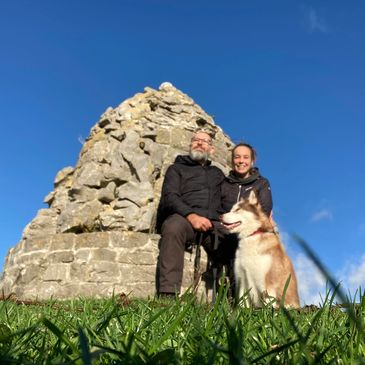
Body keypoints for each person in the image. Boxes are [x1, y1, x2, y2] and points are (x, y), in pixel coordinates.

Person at [156, 130, 225, 297]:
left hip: (213, 223)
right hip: (185, 218)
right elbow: (170, 196)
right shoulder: (176, 169)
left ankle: (236, 298)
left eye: (205, 141)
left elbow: (229, 197)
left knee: (235, 240)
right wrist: (191, 216)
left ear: (211, 149)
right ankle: (168, 295)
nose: (200, 143)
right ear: (190, 144)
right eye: (196, 140)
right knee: (173, 227)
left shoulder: (218, 174)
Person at [220, 142, 273, 295]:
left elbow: (264, 210)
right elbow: (217, 209)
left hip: (251, 232)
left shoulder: (262, 183)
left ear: (252, 161)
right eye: (237, 157)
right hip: (224, 231)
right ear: (232, 160)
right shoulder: (224, 183)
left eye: (245, 157)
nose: (241, 161)